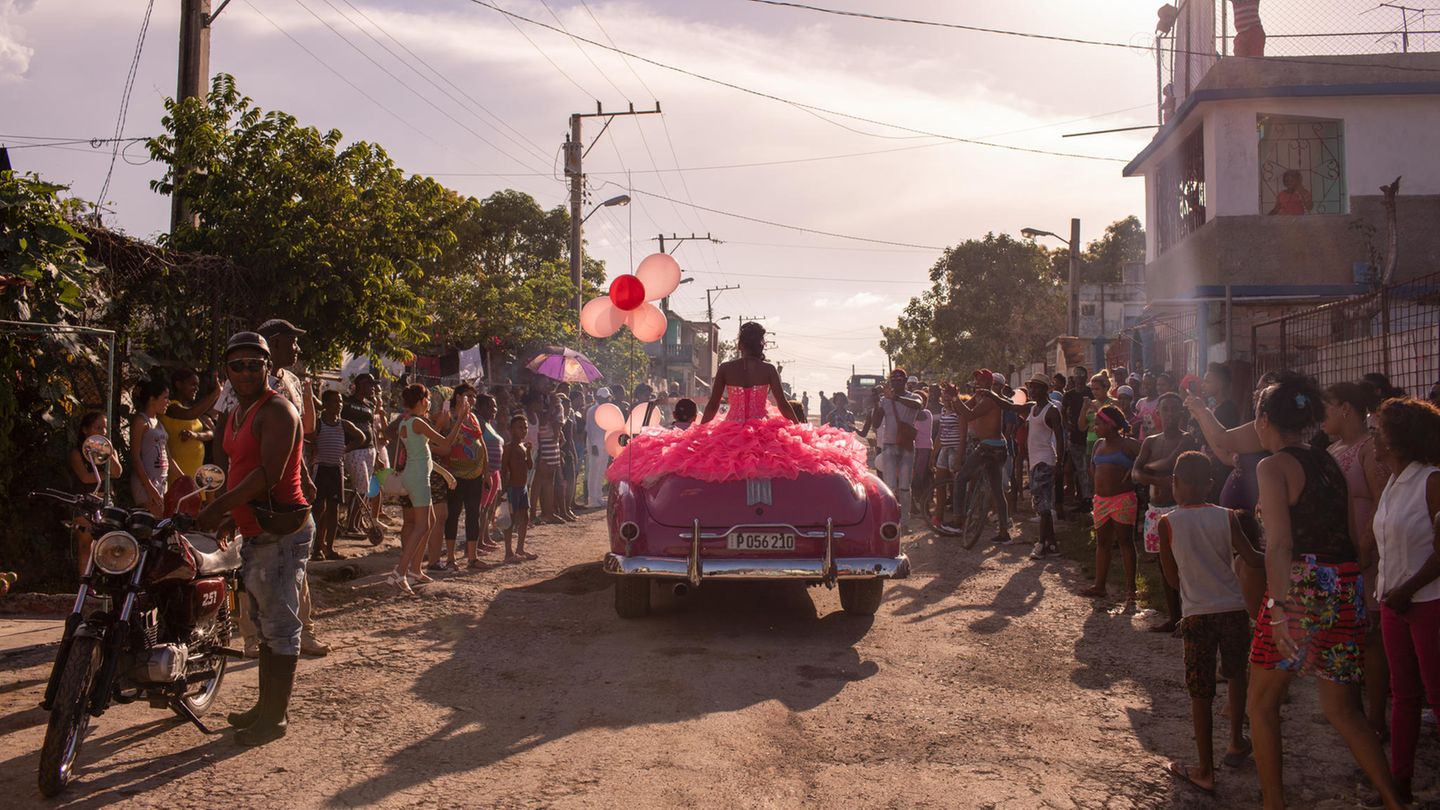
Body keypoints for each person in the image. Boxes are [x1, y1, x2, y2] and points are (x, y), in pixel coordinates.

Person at [1246, 373, 1401, 810]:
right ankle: (1393, 799)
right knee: (1344, 709)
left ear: (1263, 420)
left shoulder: (1272, 466)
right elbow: (1351, 533)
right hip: (1345, 584)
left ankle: (1274, 804)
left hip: (1300, 589)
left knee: (1262, 705)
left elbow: (1279, 543)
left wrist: (1278, 608)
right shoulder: (1329, 461)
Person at [197, 331, 314, 746]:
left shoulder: (278, 410)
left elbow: (270, 474)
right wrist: (231, 512)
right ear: (225, 372)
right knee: (264, 623)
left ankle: (275, 718)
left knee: (280, 624)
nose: (245, 372)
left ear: (268, 367)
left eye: (254, 364)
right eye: (237, 365)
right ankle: (265, 708)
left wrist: (218, 506)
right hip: (255, 528)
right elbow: (239, 467)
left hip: (280, 530)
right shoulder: (236, 415)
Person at [606, 322, 867, 489]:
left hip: (730, 427)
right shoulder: (768, 369)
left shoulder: (726, 368)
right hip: (765, 428)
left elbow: (711, 406)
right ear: (760, 345)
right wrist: (803, 432)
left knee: (722, 471)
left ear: (741, 344)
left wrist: (698, 431)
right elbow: (785, 406)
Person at [1158, 452, 1263, 793]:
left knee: (1200, 691)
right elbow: (1251, 558)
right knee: (1235, 674)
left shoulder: (1167, 523)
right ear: (1210, 484)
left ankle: (1205, 768)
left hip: (1197, 612)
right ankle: (1235, 741)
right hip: (1233, 608)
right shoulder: (1228, 517)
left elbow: (1172, 581)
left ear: (1175, 483)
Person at [1369, 398, 1440, 806]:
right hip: (1396, 604)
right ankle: (1400, 780)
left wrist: (1408, 589)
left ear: (1399, 439)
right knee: (1405, 696)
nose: (1374, 436)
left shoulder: (1431, 481)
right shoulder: (1394, 482)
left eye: (1379, 430)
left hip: (1428, 603)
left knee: (1435, 691)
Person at [1322, 381, 1391, 742]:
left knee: (1372, 640)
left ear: (1346, 408)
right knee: (1347, 634)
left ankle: (1376, 718)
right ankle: (1348, 708)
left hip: (1367, 555)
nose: (1322, 417)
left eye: (1327, 408)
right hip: (1342, 558)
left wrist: (1365, 548)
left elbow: (1382, 502)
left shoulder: (1368, 449)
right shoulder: (1334, 448)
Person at [390, 384, 468, 595]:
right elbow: (445, 444)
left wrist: (445, 473)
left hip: (415, 475)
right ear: (422, 400)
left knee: (429, 522)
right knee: (421, 526)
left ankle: (415, 570)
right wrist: (459, 419)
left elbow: (424, 455)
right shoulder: (418, 422)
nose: (430, 403)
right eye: (428, 399)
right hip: (418, 479)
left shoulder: (407, 422)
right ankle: (400, 573)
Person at [1134, 393, 1196, 633]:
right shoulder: (1150, 441)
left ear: (1181, 412)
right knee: (1164, 566)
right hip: (1155, 511)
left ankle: (1187, 617)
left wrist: (1148, 470)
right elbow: (1135, 473)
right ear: (1157, 413)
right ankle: (1174, 617)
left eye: (1174, 409)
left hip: (1178, 509)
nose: (1170, 414)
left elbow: (1168, 464)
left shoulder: (1186, 439)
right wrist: (1160, 480)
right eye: (1165, 409)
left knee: (1183, 566)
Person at [994, 377, 1064, 559]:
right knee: (1042, 505)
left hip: (1045, 461)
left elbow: (1060, 438)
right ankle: (1052, 544)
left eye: (1036, 388)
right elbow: (1010, 406)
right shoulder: (1032, 407)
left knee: (1043, 507)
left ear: (1045, 389)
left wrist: (1059, 463)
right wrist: (991, 394)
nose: (1032, 391)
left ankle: (1041, 544)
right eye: (1030, 387)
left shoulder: (1052, 411)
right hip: (1035, 462)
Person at [941, 370, 1012, 543]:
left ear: (988, 383)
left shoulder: (990, 399)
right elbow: (961, 412)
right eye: (976, 379)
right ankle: (1004, 533)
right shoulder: (980, 396)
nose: (976, 382)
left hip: (989, 448)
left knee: (961, 478)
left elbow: (969, 414)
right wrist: (953, 397)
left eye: (980, 380)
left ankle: (958, 521)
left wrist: (956, 398)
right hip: (995, 448)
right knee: (996, 491)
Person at [1081, 406, 1143, 602]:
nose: (1094, 427)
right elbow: (1092, 464)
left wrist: (1134, 467)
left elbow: (1146, 458)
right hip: (1101, 501)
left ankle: (1131, 588)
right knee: (1102, 542)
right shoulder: (1099, 444)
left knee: (1125, 541)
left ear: (1111, 425)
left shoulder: (1129, 445)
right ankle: (1100, 585)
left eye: (1098, 424)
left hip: (1122, 499)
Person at [435, 383, 488, 565]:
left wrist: (486, 471)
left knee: (474, 514)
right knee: (454, 514)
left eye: (474, 396)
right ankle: (450, 557)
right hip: (454, 474)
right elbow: (439, 439)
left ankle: (472, 557)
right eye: (468, 395)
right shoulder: (448, 416)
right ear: (458, 397)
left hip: (475, 474)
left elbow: (482, 443)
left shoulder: (473, 417)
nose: (472, 400)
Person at [862, 369, 923, 525]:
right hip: (889, 445)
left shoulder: (913, 397)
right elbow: (876, 423)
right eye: (894, 380)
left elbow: (918, 405)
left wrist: (894, 397)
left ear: (905, 381)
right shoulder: (884, 400)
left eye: (899, 380)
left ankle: (905, 520)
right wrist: (876, 401)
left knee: (904, 486)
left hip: (906, 446)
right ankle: (889, 518)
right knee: (889, 486)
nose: (896, 382)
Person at [311, 389, 364, 561]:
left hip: (336, 469)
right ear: (324, 405)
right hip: (321, 468)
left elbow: (362, 437)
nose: (339, 405)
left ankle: (330, 548)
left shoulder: (344, 424)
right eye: (334, 401)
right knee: (318, 509)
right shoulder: (318, 424)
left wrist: (346, 449)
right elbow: (309, 439)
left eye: (340, 401)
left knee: (333, 510)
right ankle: (317, 548)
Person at [68, 411, 122, 576]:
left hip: (105, 500)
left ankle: (104, 580)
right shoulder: (77, 453)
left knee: (106, 544)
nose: (103, 432)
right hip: (86, 502)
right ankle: (85, 581)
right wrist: (106, 475)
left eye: (105, 428)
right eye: (98, 428)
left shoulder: (109, 450)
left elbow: (117, 472)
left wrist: (108, 453)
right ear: (85, 430)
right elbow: (85, 477)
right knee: (85, 544)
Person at [160, 367, 220, 516]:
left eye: (198, 385)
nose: (196, 389)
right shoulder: (171, 407)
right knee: (179, 507)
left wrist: (195, 435)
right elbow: (189, 415)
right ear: (179, 384)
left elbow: (211, 432)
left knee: (194, 508)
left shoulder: (192, 409)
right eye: (192, 384)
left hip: (195, 468)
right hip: (178, 468)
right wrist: (216, 393)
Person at [341, 373, 383, 536]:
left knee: (365, 489)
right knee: (362, 487)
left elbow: (371, 427)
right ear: (360, 385)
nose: (373, 388)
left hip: (370, 449)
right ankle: (351, 526)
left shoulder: (369, 405)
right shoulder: (347, 403)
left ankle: (357, 524)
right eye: (370, 384)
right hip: (354, 450)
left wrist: (377, 454)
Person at [469, 393, 506, 568]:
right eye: (491, 406)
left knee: (487, 508)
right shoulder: (479, 422)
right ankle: (476, 543)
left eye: (495, 406)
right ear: (482, 407)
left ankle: (484, 538)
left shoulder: (489, 424)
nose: (494, 409)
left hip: (494, 471)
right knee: (480, 508)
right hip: (486, 471)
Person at [129, 377, 171, 515]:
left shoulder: (159, 423)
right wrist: (149, 487)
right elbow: (135, 457)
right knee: (151, 521)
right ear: (153, 399)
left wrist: (186, 479)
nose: (168, 402)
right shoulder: (141, 422)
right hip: (147, 483)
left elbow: (168, 456)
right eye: (165, 398)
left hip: (161, 481)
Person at [502, 413, 536, 563]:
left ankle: (520, 548)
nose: (523, 430)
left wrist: (529, 452)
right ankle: (508, 552)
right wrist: (503, 489)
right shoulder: (508, 448)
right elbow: (503, 469)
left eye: (525, 427)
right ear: (511, 430)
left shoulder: (523, 446)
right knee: (511, 519)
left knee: (525, 517)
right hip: (512, 488)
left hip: (522, 487)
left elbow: (530, 466)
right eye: (520, 427)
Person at [1062, 366, 1092, 511]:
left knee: (1087, 469)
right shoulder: (1068, 395)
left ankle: (1088, 498)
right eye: (1077, 376)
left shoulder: (1090, 393)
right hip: (1074, 437)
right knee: (1079, 469)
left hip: (1090, 436)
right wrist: (1067, 424)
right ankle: (1083, 498)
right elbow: (1062, 412)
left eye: (1082, 375)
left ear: (1086, 378)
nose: (1079, 378)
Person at [583, 387, 612, 509]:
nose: (606, 400)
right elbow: (590, 429)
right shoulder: (592, 410)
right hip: (595, 444)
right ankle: (592, 499)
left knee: (601, 471)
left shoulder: (607, 410)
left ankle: (599, 497)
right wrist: (594, 445)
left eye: (607, 398)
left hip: (605, 443)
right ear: (598, 397)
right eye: (603, 398)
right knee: (594, 472)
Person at [911, 391, 936, 522]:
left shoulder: (926, 413)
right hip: (916, 448)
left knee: (919, 477)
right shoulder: (915, 413)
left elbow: (916, 415)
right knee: (916, 477)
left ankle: (923, 505)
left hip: (924, 448)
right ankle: (917, 505)